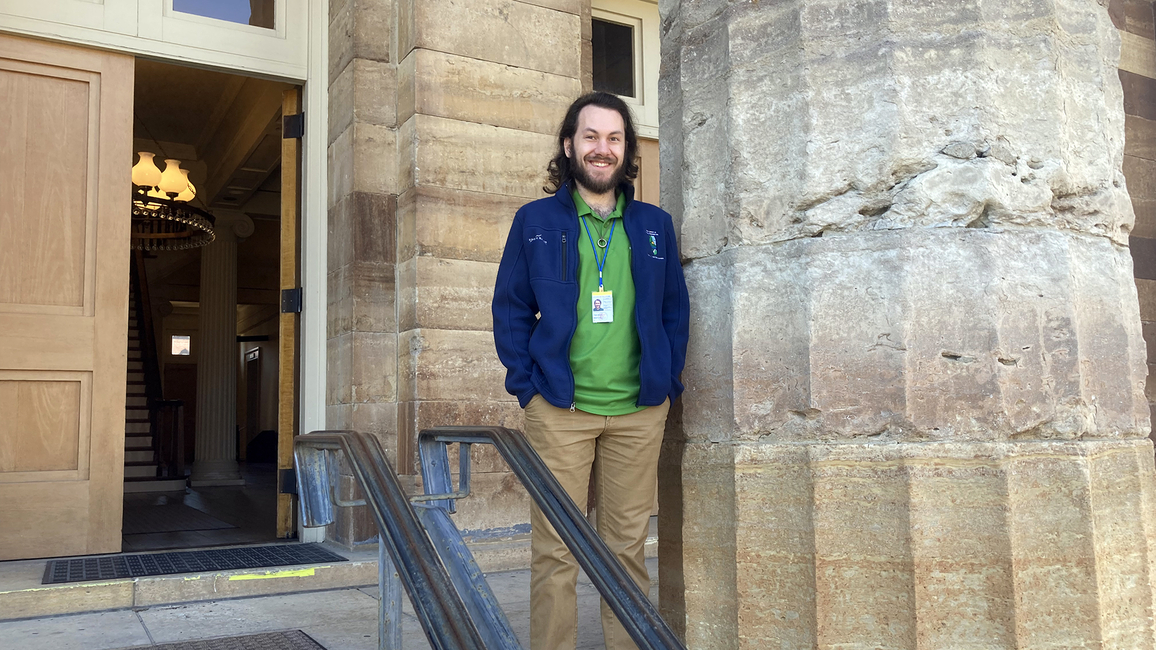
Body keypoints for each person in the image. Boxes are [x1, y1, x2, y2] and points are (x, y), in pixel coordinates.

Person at [491, 91, 690, 650]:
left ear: (626, 152)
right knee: (555, 551)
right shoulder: (534, 220)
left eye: (614, 138)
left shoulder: (654, 225)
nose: (602, 149)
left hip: (639, 412)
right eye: (591, 136)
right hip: (560, 410)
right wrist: (527, 389)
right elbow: (509, 307)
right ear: (569, 144)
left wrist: (666, 383)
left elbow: (675, 310)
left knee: (626, 549)